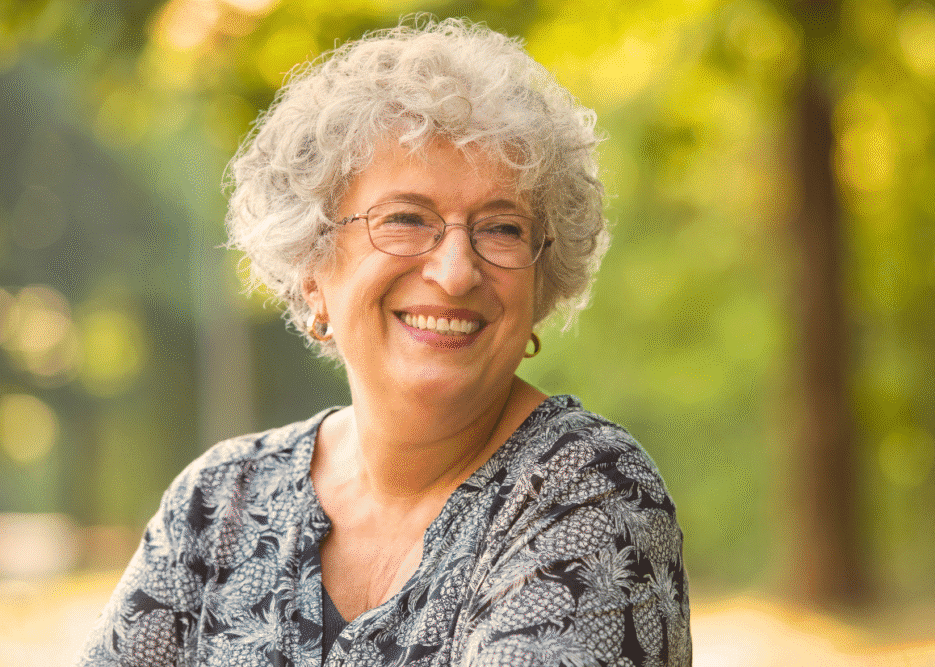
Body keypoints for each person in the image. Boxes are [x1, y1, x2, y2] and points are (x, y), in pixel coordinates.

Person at [74, 17, 691, 667]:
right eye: (405, 218)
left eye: (502, 228)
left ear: (540, 283)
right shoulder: (218, 501)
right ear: (314, 268)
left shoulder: (590, 490)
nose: (456, 271)